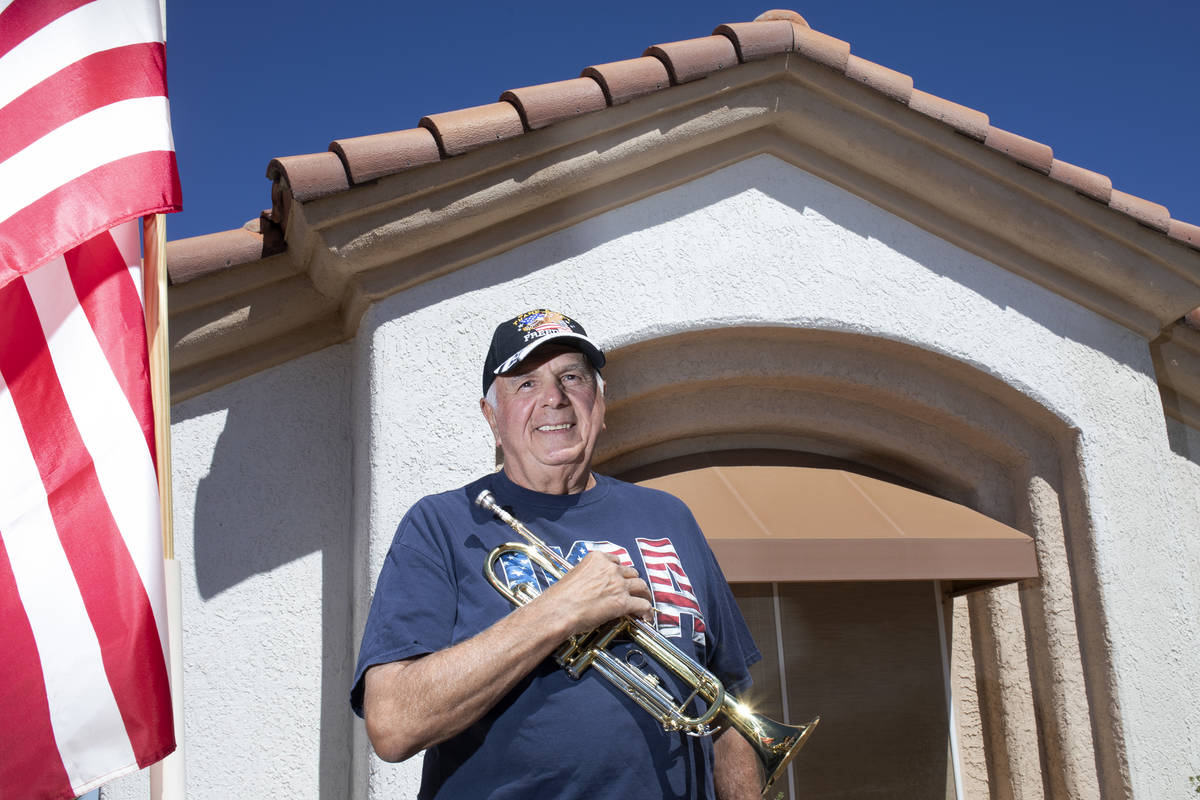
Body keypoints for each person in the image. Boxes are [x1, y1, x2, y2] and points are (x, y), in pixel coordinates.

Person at [351, 309, 764, 799]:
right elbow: (393, 722)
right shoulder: (441, 524)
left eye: (573, 377)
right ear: (492, 418)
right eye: (526, 384)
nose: (554, 398)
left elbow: (726, 709)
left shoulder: (670, 517)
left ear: (600, 404)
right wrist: (559, 610)